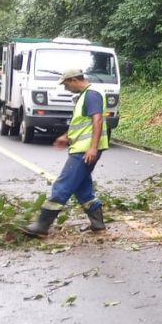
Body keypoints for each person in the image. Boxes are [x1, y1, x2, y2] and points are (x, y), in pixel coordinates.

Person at [21, 68, 109, 237]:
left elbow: (97, 120)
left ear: (75, 80)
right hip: (81, 148)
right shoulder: (84, 96)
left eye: (66, 84)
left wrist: (92, 147)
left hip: (84, 151)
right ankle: (98, 224)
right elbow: (83, 124)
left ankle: (42, 225)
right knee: (83, 189)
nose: (65, 88)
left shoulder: (91, 95)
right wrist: (66, 137)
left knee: (63, 185)